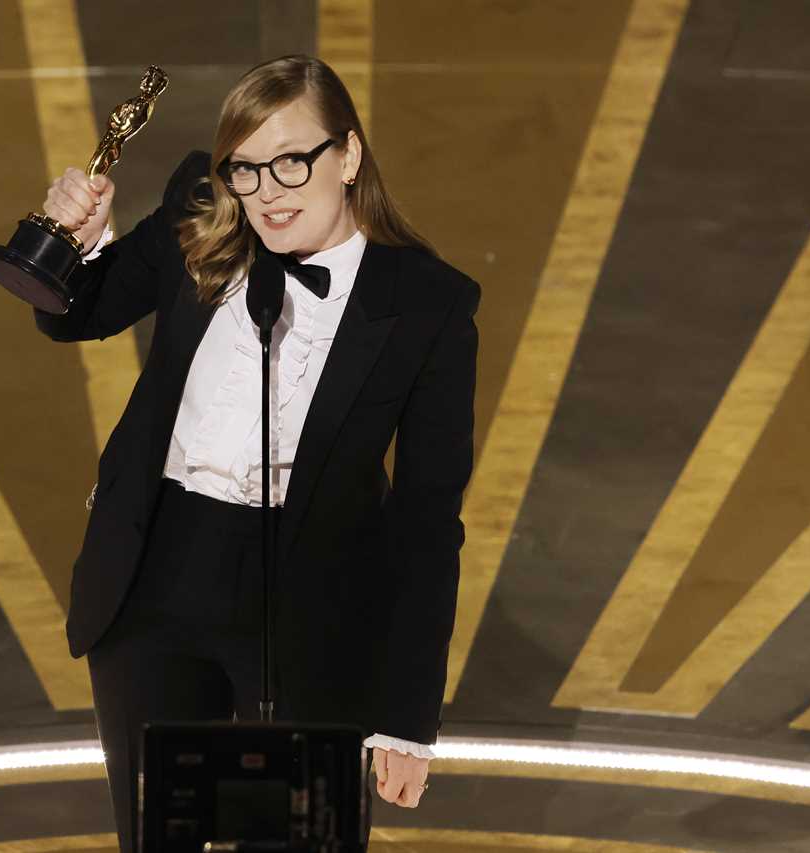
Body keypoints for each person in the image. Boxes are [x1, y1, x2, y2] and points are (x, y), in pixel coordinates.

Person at [32, 54, 480, 851]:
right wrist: (78, 240)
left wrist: (409, 719)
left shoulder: (426, 305)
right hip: (158, 577)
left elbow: (424, 521)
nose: (267, 190)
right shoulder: (202, 213)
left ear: (348, 156)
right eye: (245, 168)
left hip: (312, 602)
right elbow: (75, 315)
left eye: (290, 161)